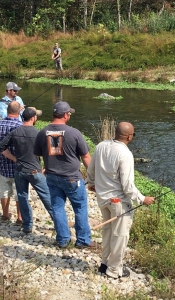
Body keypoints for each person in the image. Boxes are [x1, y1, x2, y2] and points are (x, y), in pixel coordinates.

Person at [86, 122, 155, 279]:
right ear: (129, 137)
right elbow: (127, 186)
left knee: (108, 232)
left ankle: (104, 264)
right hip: (118, 203)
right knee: (120, 235)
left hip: (102, 199)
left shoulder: (101, 146)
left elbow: (91, 168)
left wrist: (91, 183)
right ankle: (114, 270)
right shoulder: (125, 154)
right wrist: (143, 199)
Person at [33, 101, 94, 248]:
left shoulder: (42, 132)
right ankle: (83, 240)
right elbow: (86, 157)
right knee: (79, 207)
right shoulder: (74, 133)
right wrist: (93, 177)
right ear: (66, 115)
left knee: (58, 208)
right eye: (69, 114)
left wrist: (47, 165)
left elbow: (37, 154)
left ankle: (63, 240)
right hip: (72, 178)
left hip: (52, 177)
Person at [0, 107, 54, 234]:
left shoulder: (15, 131)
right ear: (33, 118)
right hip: (35, 170)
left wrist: (14, 159)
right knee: (47, 197)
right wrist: (47, 167)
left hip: (19, 170)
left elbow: (1, 146)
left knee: (23, 197)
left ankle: (27, 225)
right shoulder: (38, 133)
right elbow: (49, 151)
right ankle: (58, 223)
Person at [0, 101, 23, 223]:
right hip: (18, 165)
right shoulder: (21, 126)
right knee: (19, 191)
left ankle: (5, 214)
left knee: (4, 190)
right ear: (19, 111)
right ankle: (20, 217)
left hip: (3, 164)